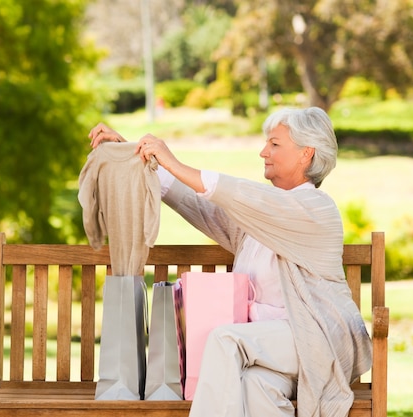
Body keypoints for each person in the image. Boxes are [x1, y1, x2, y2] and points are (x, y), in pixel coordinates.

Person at [88, 107, 372, 417]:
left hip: (313, 340)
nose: (264, 152)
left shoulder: (315, 209)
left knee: (225, 338)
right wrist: (136, 152)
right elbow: (195, 201)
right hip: (269, 349)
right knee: (255, 385)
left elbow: (239, 195)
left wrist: (174, 160)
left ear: (306, 154)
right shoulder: (257, 218)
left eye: (275, 144)